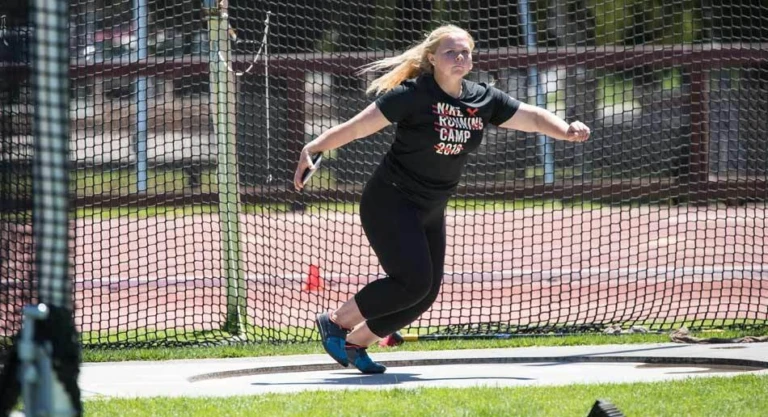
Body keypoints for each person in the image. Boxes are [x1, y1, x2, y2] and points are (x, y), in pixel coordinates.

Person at [293, 25, 590, 374]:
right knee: (412, 281)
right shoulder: (413, 94)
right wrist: (314, 146)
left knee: (425, 292)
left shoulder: (482, 98)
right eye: (451, 52)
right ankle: (335, 321)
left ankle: (356, 343)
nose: (460, 57)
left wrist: (565, 129)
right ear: (432, 58)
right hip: (391, 200)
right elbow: (358, 126)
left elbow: (534, 117)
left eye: (465, 52)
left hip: (431, 207)